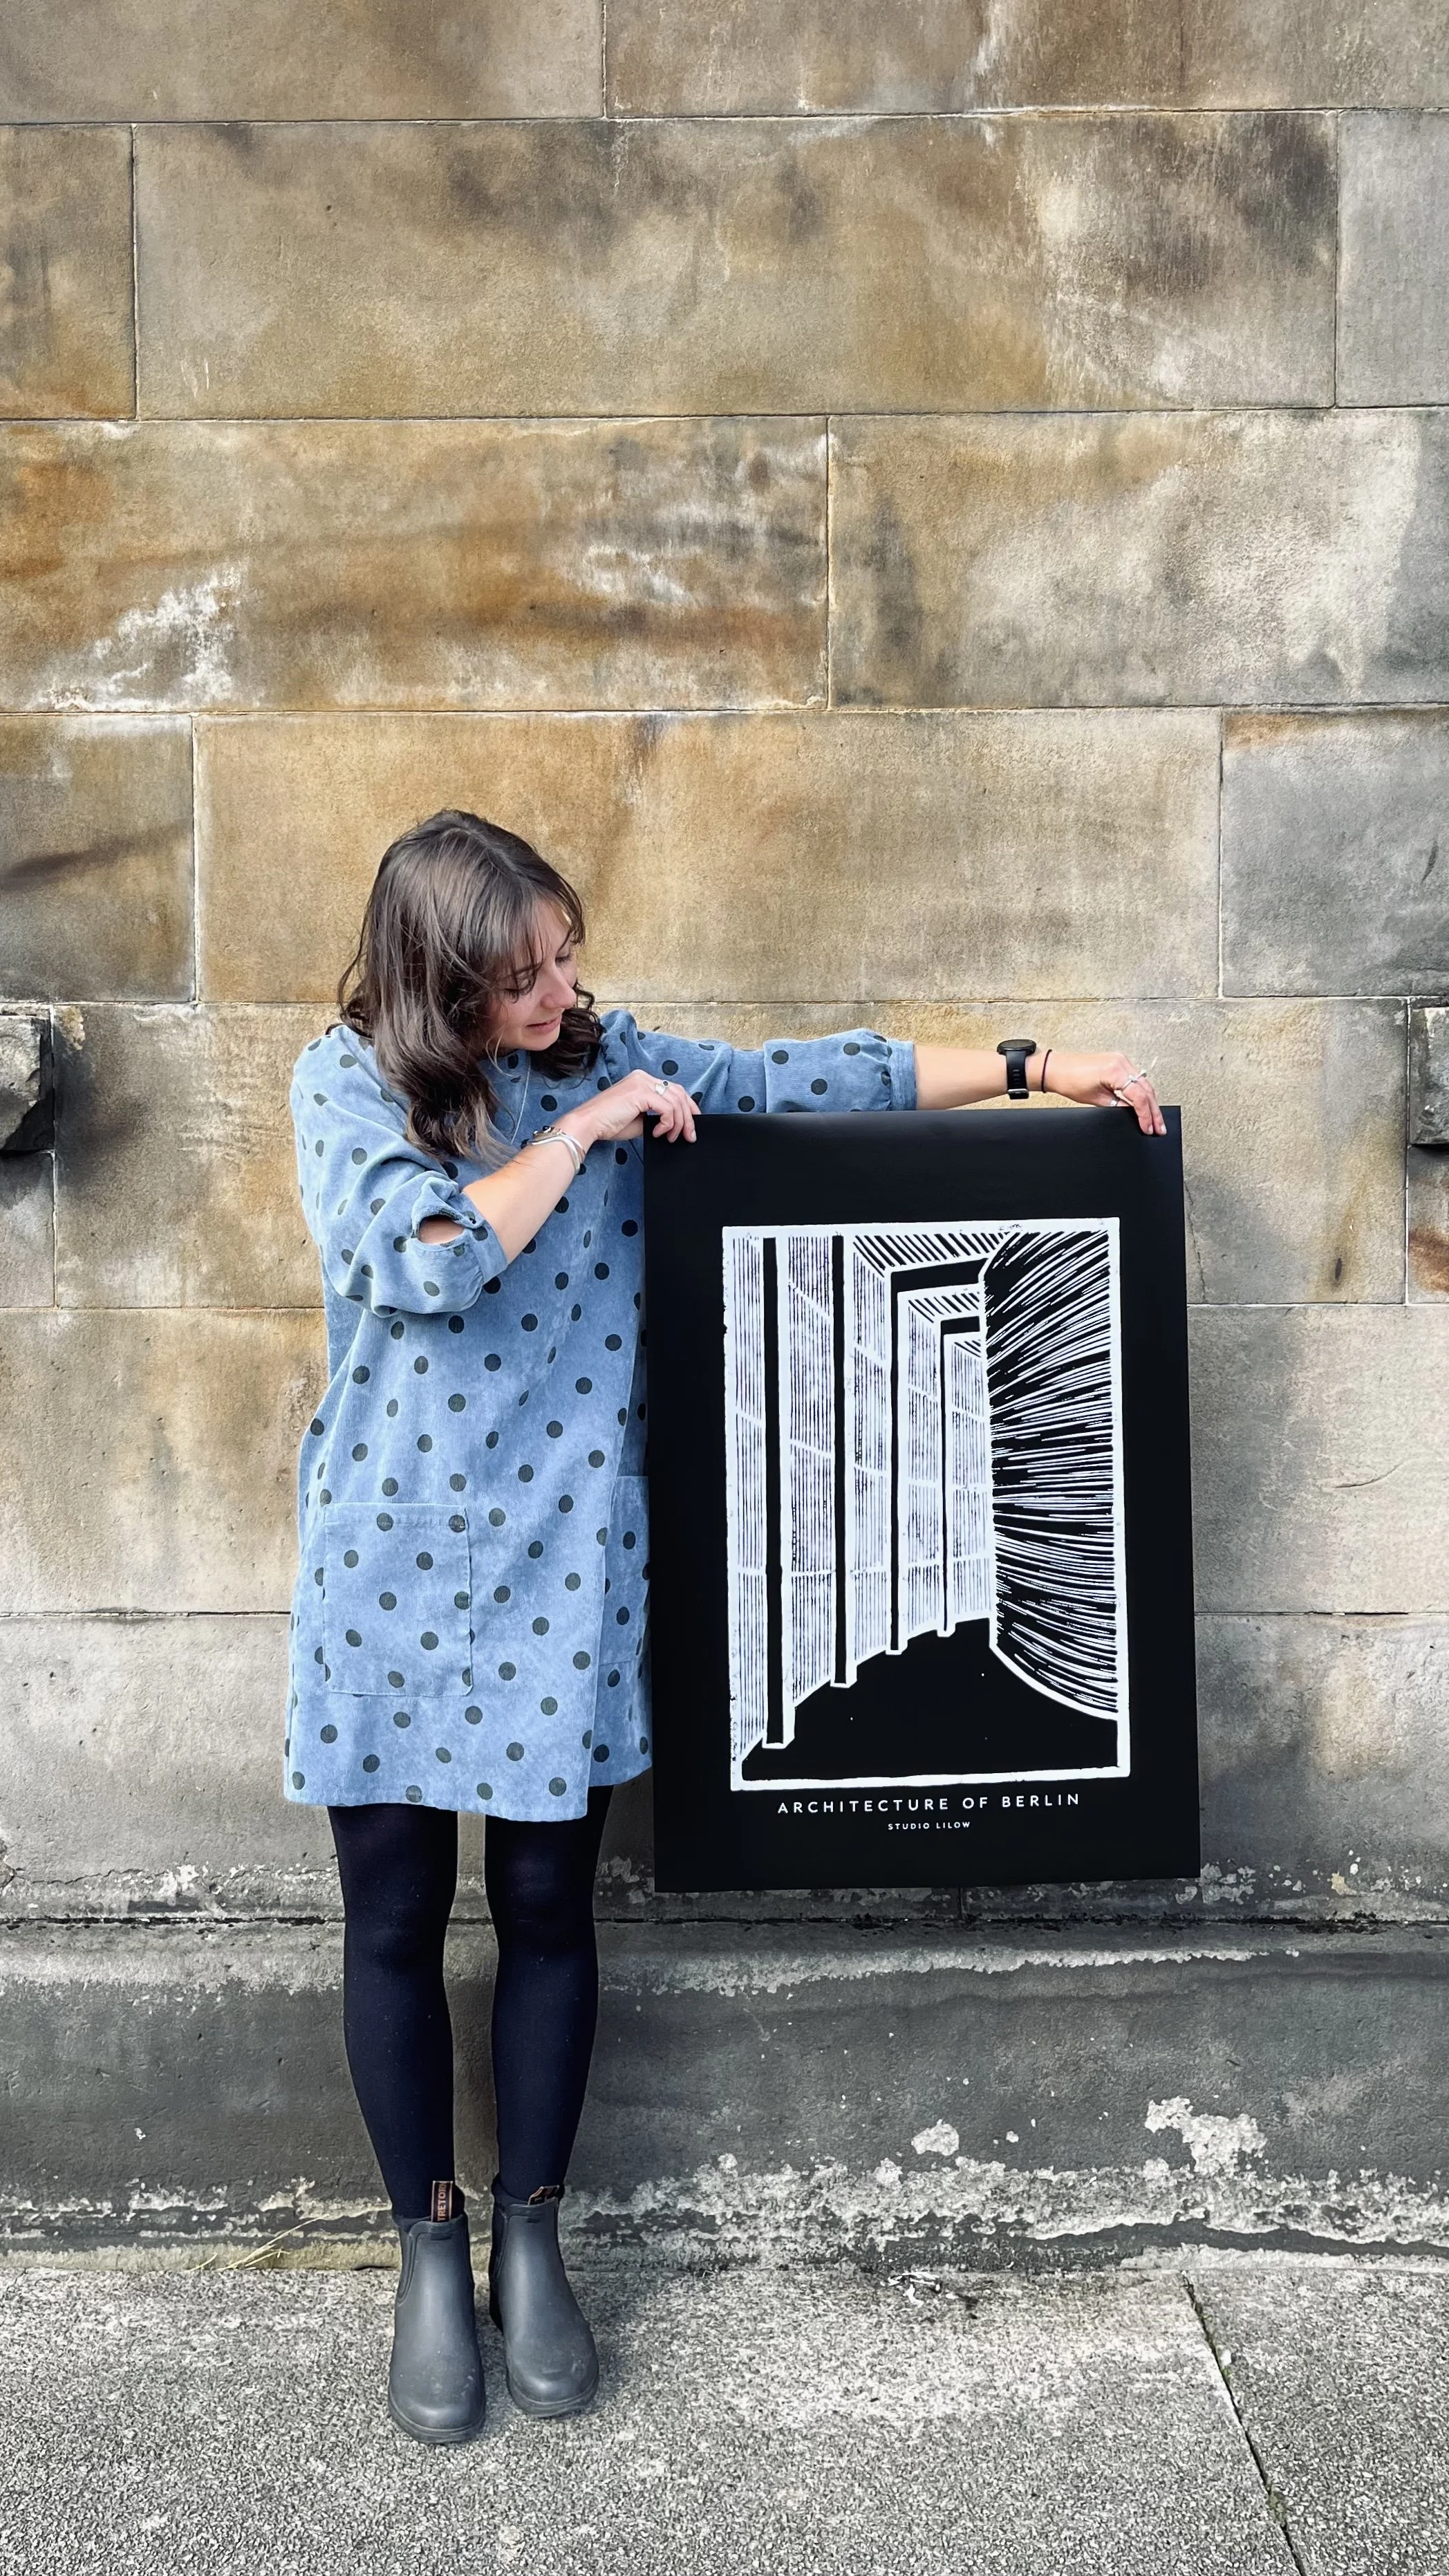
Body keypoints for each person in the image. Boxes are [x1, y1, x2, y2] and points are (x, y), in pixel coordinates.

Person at [286, 808, 1163, 2443]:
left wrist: (1042, 1065)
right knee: (393, 1911)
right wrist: (593, 1125)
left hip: (568, 1559)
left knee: (550, 1899)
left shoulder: (602, 1052)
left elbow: (804, 1077)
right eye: (525, 973)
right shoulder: (345, 1084)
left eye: (565, 953)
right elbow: (425, 1255)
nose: (563, 990)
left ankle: (537, 2231)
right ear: (442, 979)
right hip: (386, 1560)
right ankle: (427, 2241)